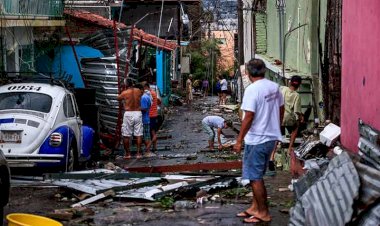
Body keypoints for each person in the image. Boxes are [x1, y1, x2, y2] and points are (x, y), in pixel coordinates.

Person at [233, 58, 284, 223]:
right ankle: (255, 207)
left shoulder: (252, 90)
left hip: (256, 139)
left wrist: (239, 139)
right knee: (258, 175)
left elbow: (248, 117)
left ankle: (263, 212)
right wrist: (276, 127)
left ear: (248, 73)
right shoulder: (274, 87)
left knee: (255, 177)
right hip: (270, 138)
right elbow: (281, 109)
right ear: (264, 71)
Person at [268, 75, 303, 173]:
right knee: (296, 127)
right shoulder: (297, 95)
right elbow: (296, 111)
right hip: (288, 118)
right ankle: (290, 148)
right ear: (299, 85)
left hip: (278, 116)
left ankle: (271, 157)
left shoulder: (282, 89)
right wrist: (301, 117)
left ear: (289, 82)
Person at [117, 81, 143, 159]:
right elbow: (141, 96)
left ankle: (128, 154)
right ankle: (138, 153)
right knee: (138, 134)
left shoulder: (125, 92)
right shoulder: (138, 91)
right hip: (138, 113)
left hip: (128, 113)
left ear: (126, 85)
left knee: (126, 135)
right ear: (133, 84)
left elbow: (118, 98)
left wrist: (123, 95)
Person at [146, 83, 161, 152]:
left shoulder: (149, 94)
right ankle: (154, 147)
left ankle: (149, 148)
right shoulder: (154, 92)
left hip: (150, 115)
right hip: (154, 115)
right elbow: (159, 101)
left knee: (150, 132)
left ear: (146, 87)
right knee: (153, 132)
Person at [139, 83, 153, 157]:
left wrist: (136, 108)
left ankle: (147, 151)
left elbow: (144, 109)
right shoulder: (147, 96)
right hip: (146, 118)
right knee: (145, 136)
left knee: (146, 136)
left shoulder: (143, 98)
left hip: (144, 119)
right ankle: (147, 151)